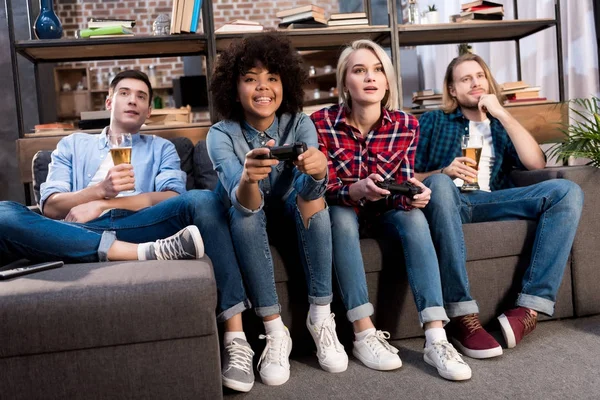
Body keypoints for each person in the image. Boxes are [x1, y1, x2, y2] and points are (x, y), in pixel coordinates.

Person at [0, 71, 252, 376]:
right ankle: (146, 252)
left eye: (142, 96)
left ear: (148, 112)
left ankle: (236, 338)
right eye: (124, 93)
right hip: (77, 231)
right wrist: (96, 191)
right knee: (4, 213)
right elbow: (51, 206)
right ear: (109, 101)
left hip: (141, 225)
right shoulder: (73, 145)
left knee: (202, 199)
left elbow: (171, 197)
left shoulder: (162, 148)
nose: (133, 99)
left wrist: (106, 202)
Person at [311, 39, 472, 381]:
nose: (370, 77)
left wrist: (413, 196)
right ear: (344, 84)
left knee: (413, 219)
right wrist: (353, 189)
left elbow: (400, 186)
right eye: (359, 70)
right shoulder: (320, 122)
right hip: (344, 213)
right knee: (338, 216)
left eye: (378, 70)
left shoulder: (405, 125)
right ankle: (363, 333)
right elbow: (317, 189)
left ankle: (436, 338)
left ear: (387, 82)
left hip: (385, 215)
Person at [414, 53, 584, 358]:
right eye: (465, 79)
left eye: (479, 76)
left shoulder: (499, 124)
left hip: (488, 201)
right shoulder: (433, 121)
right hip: (445, 200)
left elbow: (535, 163)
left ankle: (528, 310)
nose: (475, 82)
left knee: (567, 191)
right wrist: (443, 172)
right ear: (452, 90)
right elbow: (404, 176)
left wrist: (501, 113)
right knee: (439, 185)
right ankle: (461, 314)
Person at [206, 33, 348, 390]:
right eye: (250, 79)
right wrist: (248, 179)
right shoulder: (220, 135)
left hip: (294, 216)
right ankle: (274, 331)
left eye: (272, 77)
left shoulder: (300, 123)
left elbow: (313, 192)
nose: (262, 88)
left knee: (315, 197)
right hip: (249, 224)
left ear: (285, 82)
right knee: (244, 213)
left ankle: (321, 318)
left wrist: (319, 172)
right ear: (234, 88)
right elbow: (242, 204)